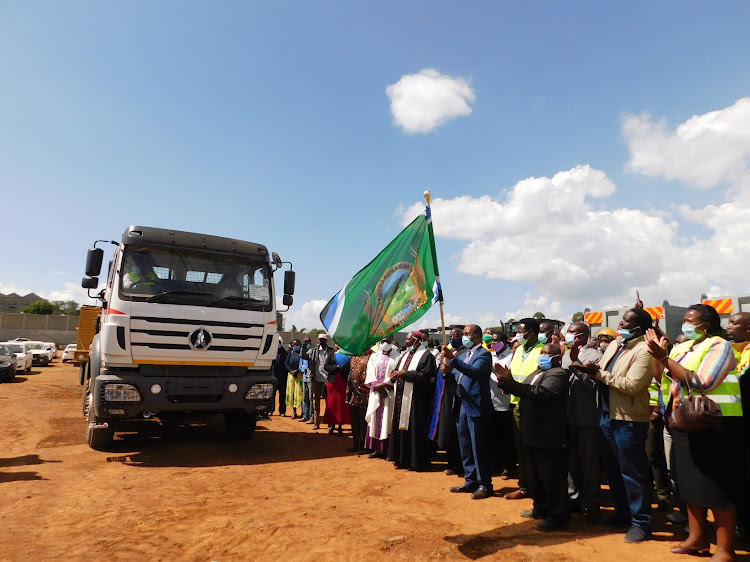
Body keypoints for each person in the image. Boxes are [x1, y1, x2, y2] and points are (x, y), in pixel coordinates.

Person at [646, 304, 742, 559]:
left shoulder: (720, 346)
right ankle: (697, 539)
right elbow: (662, 378)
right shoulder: (681, 348)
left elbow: (703, 382)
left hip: (717, 424)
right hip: (685, 422)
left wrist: (665, 357)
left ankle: (725, 549)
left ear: (706, 324)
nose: (685, 324)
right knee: (690, 485)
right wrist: (658, 356)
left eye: (691, 320)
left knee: (719, 487)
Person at [573, 308, 658, 543]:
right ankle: (622, 514)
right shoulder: (615, 344)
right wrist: (592, 371)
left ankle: (641, 522)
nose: (620, 325)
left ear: (639, 329)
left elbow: (632, 385)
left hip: (628, 419)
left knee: (633, 472)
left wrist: (598, 375)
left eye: (625, 322)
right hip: (606, 415)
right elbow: (602, 369)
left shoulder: (645, 350)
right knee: (613, 471)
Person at [497, 343, 570, 531]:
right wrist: (508, 384)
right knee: (535, 476)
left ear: (556, 357)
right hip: (532, 432)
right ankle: (540, 508)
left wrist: (512, 385)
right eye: (542, 352)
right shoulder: (536, 373)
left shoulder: (558, 374)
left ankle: (557, 516)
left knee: (551, 477)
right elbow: (525, 389)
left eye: (547, 353)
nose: (543, 356)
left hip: (548, 434)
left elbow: (543, 394)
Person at [442, 324, 494, 500]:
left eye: (467, 334)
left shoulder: (484, 355)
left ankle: (484, 484)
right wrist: (446, 372)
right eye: (463, 334)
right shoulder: (464, 354)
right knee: (465, 446)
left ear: (478, 336)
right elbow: (457, 377)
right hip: (462, 404)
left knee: (478, 446)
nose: (464, 337)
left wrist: (454, 360)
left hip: (476, 406)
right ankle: (470, 479)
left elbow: (474, 372)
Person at [562, 322, 603, 524]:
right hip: (568, 417)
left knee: (590, 464)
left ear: (581, 336)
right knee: (571, 463)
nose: (568, 336)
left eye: (571, 333)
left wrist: (576, 362)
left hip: (587, 418)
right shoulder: (564, 354)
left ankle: (593, 504)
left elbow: (593, 386)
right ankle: (573, 498)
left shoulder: (595, 356)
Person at [505, 317, 544, 500]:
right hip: (516, 403)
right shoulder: (519, 349)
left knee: (534, 449)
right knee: (521, 449)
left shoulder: (542, 351)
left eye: (521, 331)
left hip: (535, 405)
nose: (518, 335)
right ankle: (525, 486)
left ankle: (538, 488)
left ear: (531, 332)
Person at [388, 330, 438, 471]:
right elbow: (398, 370)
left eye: (409, 339)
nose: (406, 342)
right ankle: (401, 458)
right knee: (401, 427)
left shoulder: (426, 356)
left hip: (417, 400)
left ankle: (416, 461)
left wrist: (405, 374)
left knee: (415, 429)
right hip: (401, 398)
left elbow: (427, 376)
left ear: (417, 340)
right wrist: (394, 375)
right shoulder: (405, 355)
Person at [430, 326, 468, 476]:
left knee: (458, 434)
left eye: (456, 335)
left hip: (457, 397)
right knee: (447, 432)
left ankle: (460, 465)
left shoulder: (464, 353)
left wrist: (448, 372)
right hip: (445, 396)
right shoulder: (447, 352)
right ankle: (452, 462)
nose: (453, 337)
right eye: (451, 335)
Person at [364, 336, 399, 458]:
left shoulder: (397, 356)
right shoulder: (374, 356)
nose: (385, 343)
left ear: (392, 342)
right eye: (383, 341)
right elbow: (370, 374)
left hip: (389, 393)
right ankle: (377, 449)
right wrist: (376, 387)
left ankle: (389, 450)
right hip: (376, 393)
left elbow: (397, 374)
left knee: (388, 420)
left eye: (388, 341)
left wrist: (385, 386)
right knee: (375, 420)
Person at [488, 330, 516, 479]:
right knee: (493, 436)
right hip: (490, 400)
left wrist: (502, 373)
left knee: (506, 437)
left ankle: (507, 466)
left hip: (505, 402)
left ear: (504, 342)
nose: (493, 344)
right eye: (492, 341)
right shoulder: (490, 355)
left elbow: (510, 375)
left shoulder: (511, 356)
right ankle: (495, 464)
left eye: (496, 341)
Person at [307, 333, 338, 430]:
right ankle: (316, 422)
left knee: (329, 402)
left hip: (327, 379)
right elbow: (304, 355)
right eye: (320, 339)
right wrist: (304, 346)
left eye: (324, 339)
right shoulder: (314, 351)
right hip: (316, 379)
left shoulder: (331, 351)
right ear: (318, 340)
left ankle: (329, 422)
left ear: (326, 340)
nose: (322, 341)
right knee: (315, 401)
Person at [347, 347, 373, 454]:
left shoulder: (371, 356)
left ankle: (364, 445)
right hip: (354, 394)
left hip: (366, 394)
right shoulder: (354, 357)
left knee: (364, 421)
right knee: (355, 420)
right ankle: (356, 443)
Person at [323, 351, 352, 434]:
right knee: (331, 403)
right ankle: (332, 425)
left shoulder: (347, 355)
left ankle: (340, 426)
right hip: (332, 382)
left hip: (342, 382)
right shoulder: (331, 354)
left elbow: (348, 368)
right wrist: (336, 367)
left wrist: (342, 367)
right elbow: (326, 367)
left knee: (340, 404)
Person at [284, 339, 304, 419]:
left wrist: (297, 371)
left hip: (299, 376)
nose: (296, 346)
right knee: (292, 394)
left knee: (300, 394)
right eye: (295, 344)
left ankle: (303, 412)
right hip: (291, 376)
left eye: (298, 344)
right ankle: (294, 412)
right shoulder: (290, 353)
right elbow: (286, 363)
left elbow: (303, 364)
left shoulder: (302, 354)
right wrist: (291, 371)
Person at [272, 338, 288, 416]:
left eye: (279, 342)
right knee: (272, 395)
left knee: (282, 396)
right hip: (274, 378)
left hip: (282, 378)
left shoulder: (285, 353)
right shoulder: (272, 352)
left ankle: (282, 411)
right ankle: (270, 410)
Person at [300, 337, 314, 423]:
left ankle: (312, 417)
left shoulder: (313, 350)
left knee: (311, 398)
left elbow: (307, 356)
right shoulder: (303, 349)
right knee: (305, 398)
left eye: (308, 341)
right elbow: (302, 356)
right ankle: (305, 415)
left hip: (310, 377)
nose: (307, 343)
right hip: (304, 377)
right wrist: (303, 347)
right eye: (305, 341)